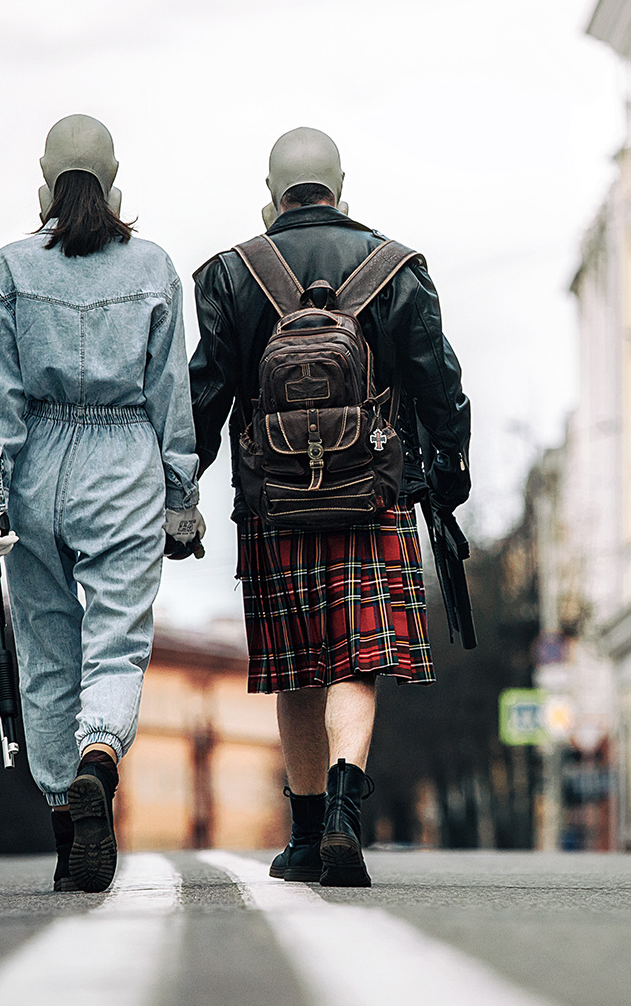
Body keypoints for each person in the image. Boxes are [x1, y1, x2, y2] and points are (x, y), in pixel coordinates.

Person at [189, 127, 471, 887]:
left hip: (273, 502)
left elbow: (205, 400)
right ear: (343, 193)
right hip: (370, 490)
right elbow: (440, 382)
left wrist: (179, 487)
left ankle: (308, 834)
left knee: (296, 667)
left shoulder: (230, 273)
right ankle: (348, 811)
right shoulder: (398, 267)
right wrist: (449, 466)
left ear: (272, 196)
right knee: (357, 658)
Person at [0, 114, 205, 893]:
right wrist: (179, 496)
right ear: (114, 179)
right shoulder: (154, 268)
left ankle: (68, 820)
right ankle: (100, 756)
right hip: (125, 461)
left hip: (37, 464)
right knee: (116, 642)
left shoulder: (8, 270)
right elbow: (171, 393)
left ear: (44, 181)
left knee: (46, 648)